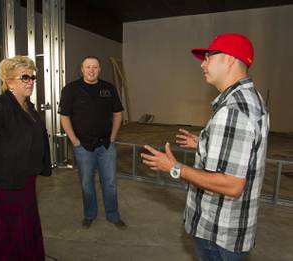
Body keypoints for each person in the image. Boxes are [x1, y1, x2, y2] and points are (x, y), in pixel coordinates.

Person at [141, 33, 269, 260]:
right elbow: (243, 150)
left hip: (218, 234)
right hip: (232, 230)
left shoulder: (233, 110)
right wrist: (204, 143)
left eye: (209, 57)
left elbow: (232, 185)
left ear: (229, 59)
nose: (203, 64)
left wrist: (174, 167)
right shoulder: (251, 97)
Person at [0, 56, 51, 260]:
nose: (30, 81)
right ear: (9, 81)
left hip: (24, 180)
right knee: (5, 235)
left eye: (32, 77)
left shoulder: (28, 107)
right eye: (25, 77)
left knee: (23, 229)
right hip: (0, 184)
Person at [58, 56, 126, 229]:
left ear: (99, 69)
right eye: (87, 67)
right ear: (82, 69)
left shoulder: (108, 88)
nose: (91, 70)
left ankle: (113, 215)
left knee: (109, 183)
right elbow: (64, 116)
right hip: (83, 147)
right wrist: (74, 141)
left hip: (106, 145)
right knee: (87, 183)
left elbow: (118, 113)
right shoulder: (71, 89)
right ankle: (90, 214)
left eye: (95, 67)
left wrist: (112, 138)